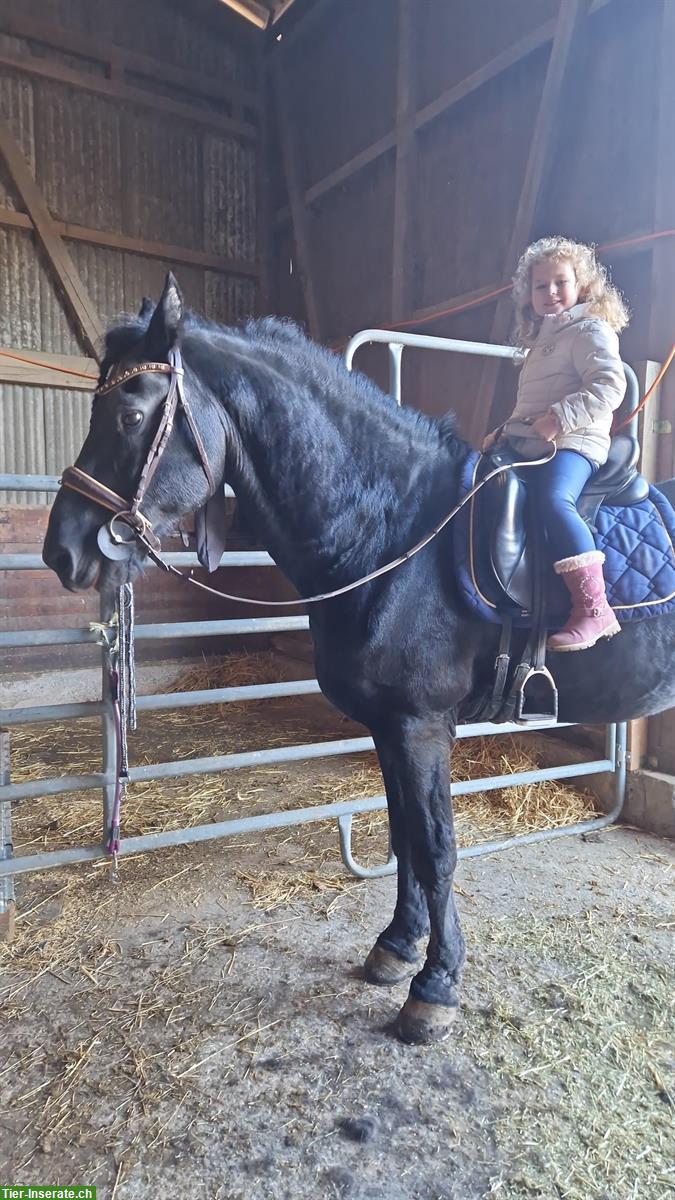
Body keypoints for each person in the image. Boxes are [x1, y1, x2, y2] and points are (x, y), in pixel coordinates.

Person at [482, 236, 630, 652]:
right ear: (528, 295)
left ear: (581, 285)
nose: (549, 293)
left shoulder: (589, 329)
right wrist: (506, 431)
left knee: (553, 499)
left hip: (576, 441)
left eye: (559, 283)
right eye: (540, 285)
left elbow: (609, 384)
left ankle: (594, 607)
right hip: (538, 440)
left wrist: (560, 418)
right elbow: (530, 405)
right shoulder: (540, 343)